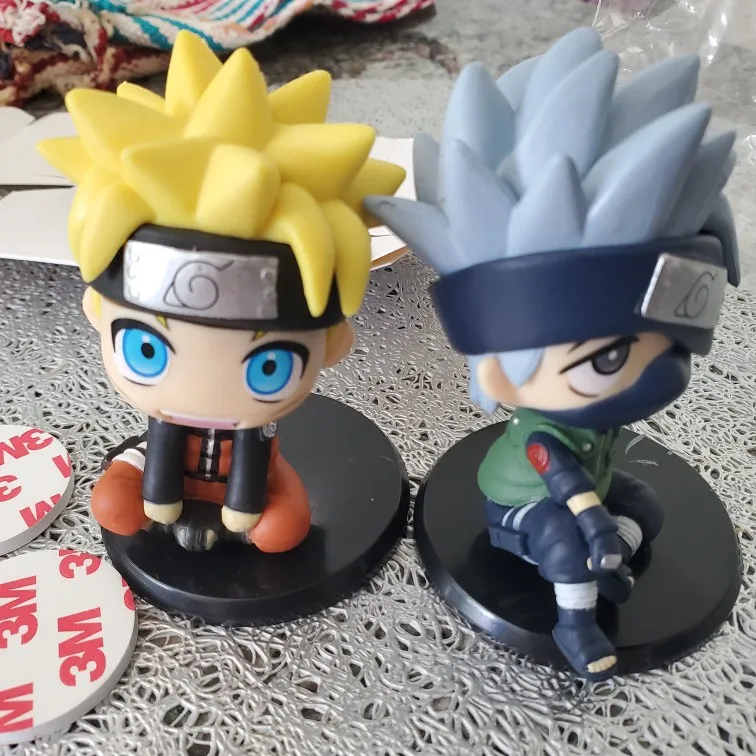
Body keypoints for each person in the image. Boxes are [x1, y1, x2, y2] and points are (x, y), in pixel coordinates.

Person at [365, 27, 739, 680]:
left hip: (588, 499)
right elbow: (568, 487)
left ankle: (608, 568)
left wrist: (611, 532)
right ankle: (576, 624)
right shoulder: (544, 436)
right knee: (566, 544)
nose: (663, 372)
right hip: (522, 509)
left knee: (648, 509)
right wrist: (596, 529)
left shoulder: (601, 413)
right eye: (605, 360)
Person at [38, 30, 405, 555]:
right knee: (115, 506)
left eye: (270, 365)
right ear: (96, 310)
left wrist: (243, 509)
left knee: (282, 532)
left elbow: (258, 472)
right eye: (146, 350)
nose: (201, 395)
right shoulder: (164, 419)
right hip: (161, 467)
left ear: (332, 344)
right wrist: (159, 497)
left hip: (249, 477)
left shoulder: (259, 431)